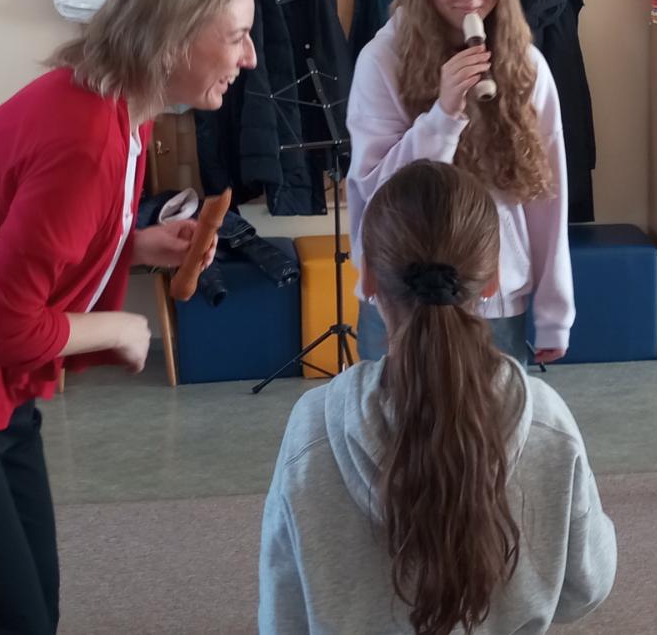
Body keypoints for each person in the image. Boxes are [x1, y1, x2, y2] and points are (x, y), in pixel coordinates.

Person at [0, 0, 258, 634]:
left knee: (30, 609)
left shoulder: (119, 112)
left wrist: (133, 245)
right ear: (172, 38)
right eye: (236, 35)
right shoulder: (86, 136)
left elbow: (36, 243)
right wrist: (120, 328)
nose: (251, 56)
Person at [260, 159, 615, 634]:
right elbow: (588, 584)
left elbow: (283, 612)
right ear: (492, 281)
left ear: (368, 280)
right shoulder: (549, 425)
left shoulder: (312, 429)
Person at [347, 0, 573, 364]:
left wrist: (555, 311)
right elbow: (373, 190)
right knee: (390, 414)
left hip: (495, 300)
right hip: (398, 298)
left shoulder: (527, 65)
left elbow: (547, 196)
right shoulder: (382, 59)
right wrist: (443, 115)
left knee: (494, 414)